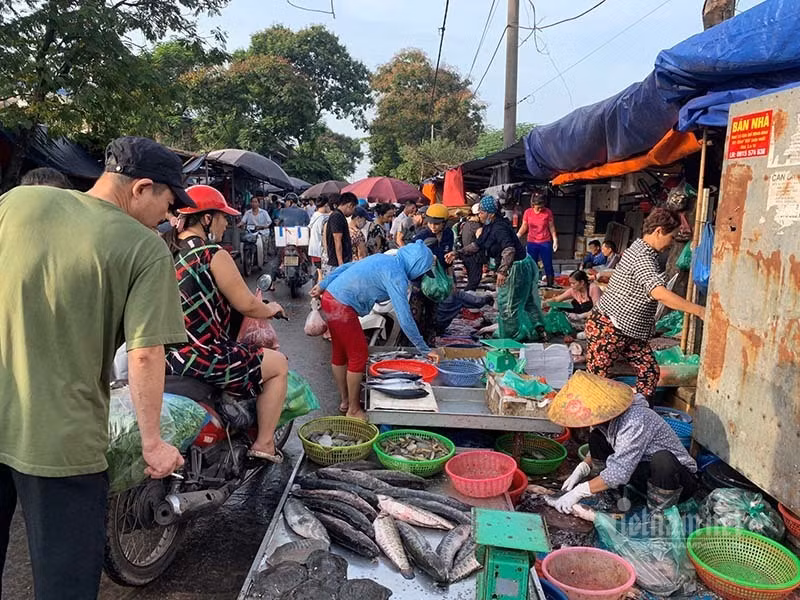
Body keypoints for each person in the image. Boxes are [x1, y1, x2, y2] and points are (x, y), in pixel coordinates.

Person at [0, 136, 190, 600]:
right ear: (142, 188)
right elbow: (145, 353)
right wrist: (153, 444)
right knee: (64, 583)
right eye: (168, 202)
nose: (169, 216)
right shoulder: (145, 249)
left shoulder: (18, 201)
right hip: (62, 441)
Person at [164, 185, 288, 463]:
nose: (226, 224)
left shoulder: (166, 251)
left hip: (167, 356)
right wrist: (272, 309)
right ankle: (265, 444)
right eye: (223, 218)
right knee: (278, 365)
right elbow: (246, 303)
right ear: (207, 218)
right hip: (202, 355)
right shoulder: (211, 253)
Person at [310, 241, 440, 419]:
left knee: (340, 352)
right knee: (358, 355)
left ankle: (346, 401)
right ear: (416, 265)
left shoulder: (385, 258)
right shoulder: (397, 275)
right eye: (422, 271)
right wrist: (425, 349)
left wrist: (324, 284)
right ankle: (353, 409)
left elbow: (348, 266)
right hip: (343, 306)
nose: (420, 275)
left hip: (330, 297)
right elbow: (405, 318)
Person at [586, 208, 705, 401]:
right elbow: (658, 293)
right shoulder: (641, 255)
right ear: (659, 231)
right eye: (672, 237)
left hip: (631, 332)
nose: (672, 243)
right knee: (597, 384)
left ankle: (641, 416)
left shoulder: (645, 252)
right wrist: (698, 310)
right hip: (609, 327)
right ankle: (593, 428)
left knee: (649, 372)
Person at [545, 371, 698, 514]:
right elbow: (617, 451)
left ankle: (659, 515)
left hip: (676, 479)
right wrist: (583, 467)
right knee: (597, 437)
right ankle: (609, 496)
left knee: (662, 459)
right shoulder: (605, 420)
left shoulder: (635, 420)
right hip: (642, 469)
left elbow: (619, 472)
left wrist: (579, 491)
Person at [448, 195, 546, 342]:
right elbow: (477, 245)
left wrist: (502, 271)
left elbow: (509, 249)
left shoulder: (499, 227)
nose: (479, 214)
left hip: (515, 268)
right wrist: (457, 253)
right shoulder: (489, 226)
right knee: (527, 301)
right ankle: (538, 329)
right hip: (523, 264)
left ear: (491, 213)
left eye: (481, 212)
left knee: (508, 304)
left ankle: (510, 337)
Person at [410, 203, 455, 345]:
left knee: (432, 314)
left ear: (444, 223)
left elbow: (448, 260)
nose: (433, 227)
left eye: (437, 224)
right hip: (420, 281)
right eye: (430, 223)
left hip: (438, 281)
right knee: (416, 315)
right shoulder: (421, 236)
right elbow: (410, 257)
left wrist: (451, 279)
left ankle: (429, 343)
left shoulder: (448, 234)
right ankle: (413, 344)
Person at [518, 193, 558, 287]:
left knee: (547, 263)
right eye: (538, 207)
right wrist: (518, 235)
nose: (540, 209)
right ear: (533, 205)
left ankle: (550, 284)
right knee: (531, 264)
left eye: (542, 207)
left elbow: (551, 227)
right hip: (532, 242)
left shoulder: (548, 212)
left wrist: (555, 239)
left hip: (545, 241)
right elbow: (524, 226)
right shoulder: (528, 212)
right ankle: (531, 284)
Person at [325, 192, 357, 272]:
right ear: (349, 205)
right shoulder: (337, 216)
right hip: (337, 263)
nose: (353, 212)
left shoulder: (340, 216)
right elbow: (337, 239)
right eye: (353, 208)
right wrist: (340, 262)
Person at [239, 195, 273, 268]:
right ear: (250, 203)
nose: (254, 203)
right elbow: (243, 221)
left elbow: (269, 222)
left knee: (263, 244)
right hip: (250, 232)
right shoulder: (248, 213)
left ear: (258, 203)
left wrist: (263, 227)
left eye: (255, 202)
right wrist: (239, 224)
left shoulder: (264, 212)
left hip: (262, 232)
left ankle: (263, 259)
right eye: (252, 202)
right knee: (242, 243)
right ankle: (242, 258)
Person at [459, 203, 485, 291]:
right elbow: (480, 240)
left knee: (472, 279)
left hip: (466, 256)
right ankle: (466, 298)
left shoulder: (466, 224)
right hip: (474, 257)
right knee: (474, 281)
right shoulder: (476, 226)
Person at [309, 197, 331, 282]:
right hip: (322, 251)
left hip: (314, 250)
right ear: (326, 205)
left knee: (319, 272)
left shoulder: (314, 216)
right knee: (322, 275)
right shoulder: (324, 218)